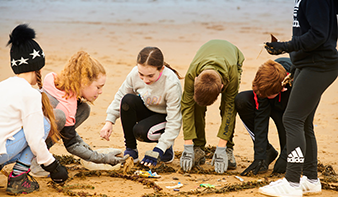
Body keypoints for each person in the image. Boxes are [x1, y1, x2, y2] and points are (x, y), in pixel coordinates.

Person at [259, 0, 338, 197]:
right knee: (304, 122)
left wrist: (285, 47)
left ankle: (292, 182)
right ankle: (310, 179)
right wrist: (294, 61)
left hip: (319, 65)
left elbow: (319, 34)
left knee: (292, 119)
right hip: (306, 63)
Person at [0, 24, 68, 195]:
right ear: (39, 66)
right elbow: (35, 139)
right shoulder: (30, 94)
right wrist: (53, 166)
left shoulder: (2, 86)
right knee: (43, 124)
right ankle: (18, 178)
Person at [100, 46, 182, 167]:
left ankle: (167, 149)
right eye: (141, 74)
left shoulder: (171, 83)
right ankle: (131, 150)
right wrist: (109, 121)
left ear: (161, 69)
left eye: (150, 76)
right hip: (147, 109)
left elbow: (174, 121)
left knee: (141, 132)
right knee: (127, 100)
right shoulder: (134, 74)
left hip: (164, 117)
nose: (145, 79)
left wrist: (159, 149)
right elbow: (120, 96)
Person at [180, 39, 245, 173]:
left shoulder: (231, 76)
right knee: (195, 106)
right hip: (206, 53)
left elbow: (230, 111)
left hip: (232, 58)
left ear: (222, 87)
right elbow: (186, 108)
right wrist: (188, 146)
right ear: (196, 80)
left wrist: (220, 148)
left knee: (227, 107)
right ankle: (198, 147)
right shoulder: (192, 75)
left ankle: (228, 148)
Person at [235, 58, 293, 176]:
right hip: (273, 98)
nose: (263, 96)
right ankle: (268, 152)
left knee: (285, 159)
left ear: (282, 88)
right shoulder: (264, 82)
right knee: (242, 100)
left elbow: (301, 124)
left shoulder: (297, 84)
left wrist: (286, 155)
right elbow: (261, 120)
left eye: (266, 95)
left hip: (289, 109)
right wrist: (259, 156)